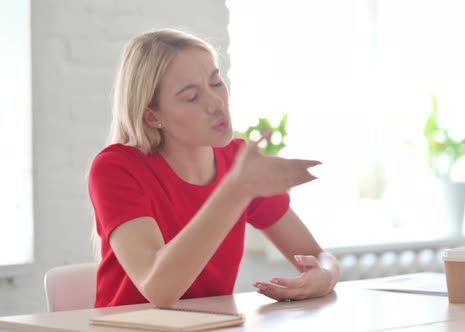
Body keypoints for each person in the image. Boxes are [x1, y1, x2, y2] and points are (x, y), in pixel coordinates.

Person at [88, 28, 340, 308]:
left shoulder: (237, 162)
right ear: (153, 115)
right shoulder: (116, 168)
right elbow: (158, 289)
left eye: (216, 82)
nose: (216, 102)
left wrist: (323, 278)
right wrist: (236, 190)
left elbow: (320, 257)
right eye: (192, 97)